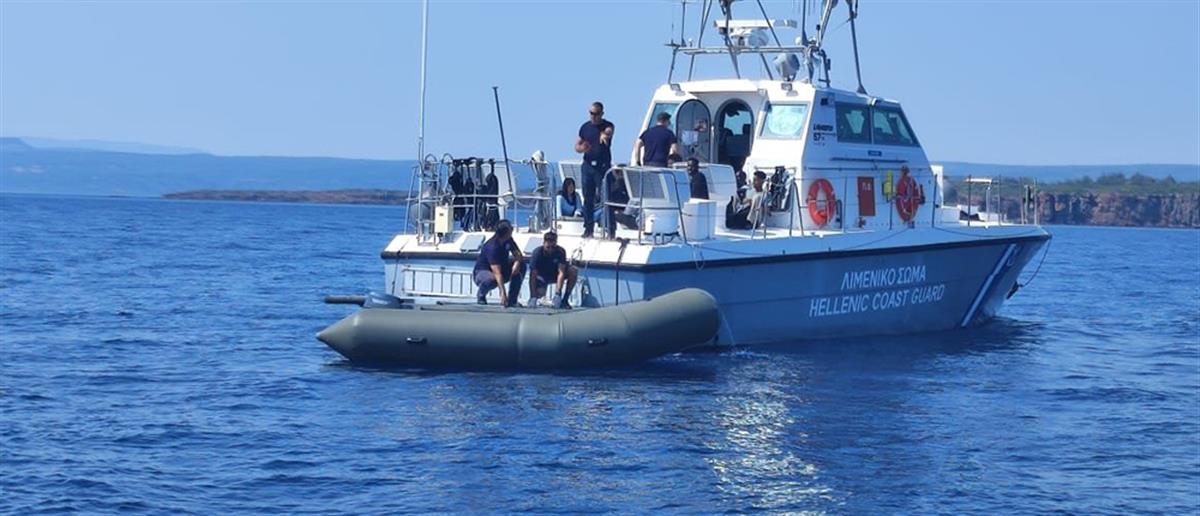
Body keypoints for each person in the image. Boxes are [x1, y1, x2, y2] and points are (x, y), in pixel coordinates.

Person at [575, 101, 615, 238]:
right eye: (591, 113)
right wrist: (582, 148)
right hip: (587, 166)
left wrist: (604, 135)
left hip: (602, 167)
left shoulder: (607, 125)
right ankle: (588, 228)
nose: (593, 116)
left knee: (607, 198)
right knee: (588, 198)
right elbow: (577, 145)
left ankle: (611, 229)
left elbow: (608, 132)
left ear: (601, 114)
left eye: (596, 114)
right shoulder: (585, 127)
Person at [473, 220, 525, 306]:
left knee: (522, 266)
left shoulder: (509, 240)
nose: (512, 230)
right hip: (483, 272)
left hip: (502, 269)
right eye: (511, 228)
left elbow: (518, 254)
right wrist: (503, 293)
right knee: (492, 279)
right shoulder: (492, 247)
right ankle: (481, 294)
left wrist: (517, 263)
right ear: (506, 232)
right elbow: (497, 273)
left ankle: (512, 300)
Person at [527, 231, 577, 309]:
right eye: (548, 247)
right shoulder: (537, 253)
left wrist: (558, 294)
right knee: (540, 293)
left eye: (553, 247)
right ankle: (534, 298)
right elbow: (532, 276)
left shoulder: (560, 251)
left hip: (554, 275)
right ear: (544, 243)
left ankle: (564, 301)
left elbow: (561, 272)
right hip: (542, 276)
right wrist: (532, 296)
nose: (550, 250)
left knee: (573, 271)